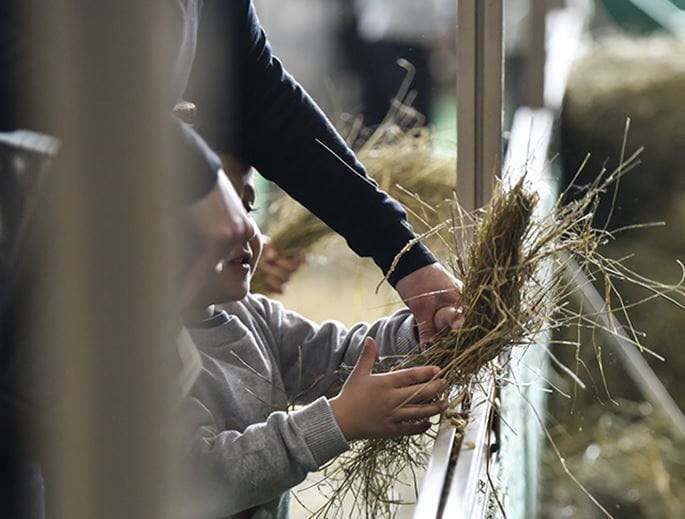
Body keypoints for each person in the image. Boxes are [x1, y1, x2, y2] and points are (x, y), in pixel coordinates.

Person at [184, 0, 463, 343]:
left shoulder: (254, 324)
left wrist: (405, 258)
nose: (242, 227)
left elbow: (262, 97)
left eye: (249, 209)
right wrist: (200, 179)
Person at [179, 164, 449, 518]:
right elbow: (199, 480)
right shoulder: (138, 355)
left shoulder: (255, 317)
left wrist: (424, 331)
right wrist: (337, 421)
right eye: (218, 215)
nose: (246, 228)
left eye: (247, 207)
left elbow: (341, 359)